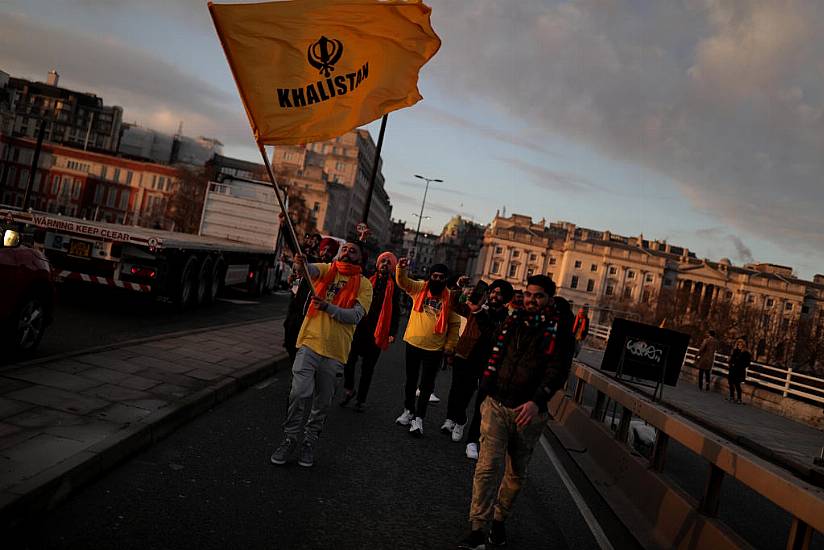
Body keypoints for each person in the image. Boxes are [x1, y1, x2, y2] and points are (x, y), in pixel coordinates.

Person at [457, 275, 574, 549]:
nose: (532, 300)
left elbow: (558, 371)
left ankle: (499, 520)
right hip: (497, 403)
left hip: (529, 412)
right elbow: (493, 342)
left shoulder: (560, 332)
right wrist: (486, 392)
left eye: (539, 296)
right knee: (487, 467)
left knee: (515, 472)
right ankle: (477, 528)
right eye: (529, 294)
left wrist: (536, 401)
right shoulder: (513, 321)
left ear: (549, 298)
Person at [270, 241, 372, 467]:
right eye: (345, 249)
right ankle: (289, 438)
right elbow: (308, 270)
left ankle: (309, 440)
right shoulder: (328, 269)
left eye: (352, 250)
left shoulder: (365, 285)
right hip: (310, 342)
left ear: (361, 258)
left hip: (336, 351)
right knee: (299, 392)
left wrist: (328, 307)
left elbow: (355, 316)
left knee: (322, 402)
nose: (347, 252)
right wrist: (300, 263)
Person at [442, 279, 513, 453]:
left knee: (481, 403)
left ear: (505, 299)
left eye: (499, 293)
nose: (495, 295)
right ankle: (459, 419)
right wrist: (460, 289)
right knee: (460, 395)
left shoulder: (506, 318)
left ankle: (472, 440)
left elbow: (493, 336)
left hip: (489, 362)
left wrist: (479, 312)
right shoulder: (477, 305)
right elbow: (454, 305)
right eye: (493, 292)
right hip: (467, 356)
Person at [394, 259, 461, 436]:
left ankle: (419, 418)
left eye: (441, 277)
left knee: (426, 386)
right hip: (413, 342)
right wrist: (401, 268)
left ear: (446, 279)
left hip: (435, 348)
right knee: (410, 381)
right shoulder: (420, 288)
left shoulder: (450, 298)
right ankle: (408, 411)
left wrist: (450, 345)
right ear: (430, 276)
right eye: (434, 276)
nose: (437, 280)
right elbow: (403, 282)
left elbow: (454, 325)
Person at [340, 251, 401, 412]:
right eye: (383, 261)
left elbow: (395, 312)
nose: (385, 264)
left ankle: (361, 400)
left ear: (393, 267)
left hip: (377, 333)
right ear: (377, 264)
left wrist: (392, 332)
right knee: (349, 362)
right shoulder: (367, 280)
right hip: (359, 328)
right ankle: (349, 388)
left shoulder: (394, 287)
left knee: (368, 369)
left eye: (389, 262)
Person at [282, 237, 339, 363]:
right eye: (324, 249)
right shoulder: (311, 262)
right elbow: (296, 250)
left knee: (301, 350)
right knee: (289, 342)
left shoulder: (331, 270)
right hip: (295, 311)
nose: (326, 253)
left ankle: (298, 376)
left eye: (330, 251)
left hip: (310, 316)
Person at [727, 338, 750, 404]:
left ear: (743, 345)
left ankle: (739, 399)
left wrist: (740, 365)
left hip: (739, 371)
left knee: (737, 384)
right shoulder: (735, 351)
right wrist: (730, 362)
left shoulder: (746, 353)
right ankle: (732, 397)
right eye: (738, 345)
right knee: (730, 383)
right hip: (732, 369)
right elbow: (731, 358)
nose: (739, 346)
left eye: (740, 345)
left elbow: (747, 363)